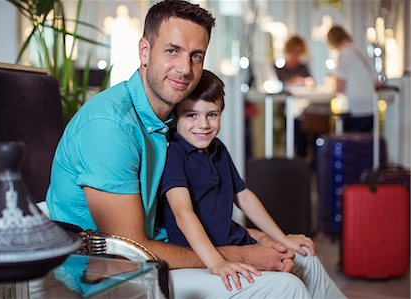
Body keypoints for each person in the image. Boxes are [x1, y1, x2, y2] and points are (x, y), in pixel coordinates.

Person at [46, 0, 345, 297]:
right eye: (172, 51)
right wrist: (240, 254)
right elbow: (130, 252)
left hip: (160, 248)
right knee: (285, 285)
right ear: (145, 51)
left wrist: (259, 238)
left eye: (196, 56)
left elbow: (179, 220)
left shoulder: (174, 123)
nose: (185, 69)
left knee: (304, 259)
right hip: (111, 275)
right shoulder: (110, 127)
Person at [159, 69, 344, 294]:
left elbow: (244, 197)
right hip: (202, 257)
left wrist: (282, 239)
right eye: (191, 115)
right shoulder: (174, 154)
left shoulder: (218, 149)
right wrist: (216, 262)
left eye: (212, 114)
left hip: (236, 243)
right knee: (290, 285)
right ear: (176, 116)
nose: (203, 124)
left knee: (306, 257)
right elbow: (183, 214)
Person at [275, 35, 329, 158]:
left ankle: (310, 163)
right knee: (296, 137)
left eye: (299, 53)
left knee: (313, 135)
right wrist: (290, 82)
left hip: (305, 110)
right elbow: (277, 87)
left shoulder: (303, 67)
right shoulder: (279, 69)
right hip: (286, 109)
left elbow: (311, 83)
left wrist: (306, 82)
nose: (296, 57)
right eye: (294, 53)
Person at [327, 25, 379, 132]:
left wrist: (331, 83)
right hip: (370, 106)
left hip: (354, 107)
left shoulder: (344, 54)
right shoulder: (361, 51)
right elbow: (376, 82)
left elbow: (340, 87)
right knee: (366, 143)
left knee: (352, 145)